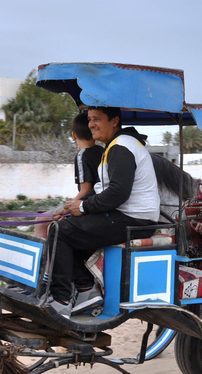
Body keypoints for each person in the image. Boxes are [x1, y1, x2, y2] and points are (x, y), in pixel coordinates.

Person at [47, 106, 160, 318]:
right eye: (89, 119)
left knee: (60, 232)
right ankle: (84, 291)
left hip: (134, 220)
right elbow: (102, 190)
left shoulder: (121, 147)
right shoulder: (115, 146)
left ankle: (62, 299)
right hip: (126, 215)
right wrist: (73, 208)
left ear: (114, 121)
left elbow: (118, 193)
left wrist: (83, 207)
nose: (91, 125)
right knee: (68, 227)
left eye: (97, 119)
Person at [34, 111, 104, 239]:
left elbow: (85, 190)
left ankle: (45, 257)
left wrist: (70, 206)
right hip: (98, 204)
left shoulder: (82, 155)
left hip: (87, 206)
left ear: (74, 135)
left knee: (41, 219)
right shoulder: (102, 151)